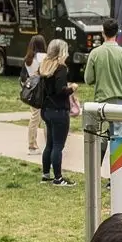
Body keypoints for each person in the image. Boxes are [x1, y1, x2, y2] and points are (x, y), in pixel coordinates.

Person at [84, 17, 122, 143]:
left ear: (103, 33)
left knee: (103, 138)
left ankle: (103, 162)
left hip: (102, 102)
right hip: (121, 102)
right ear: (118, 32)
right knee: (120, 140)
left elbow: (88, 79)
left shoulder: (95, 53)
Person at [39, 38, 77, 188]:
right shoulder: (60, 68)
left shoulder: (44, 65)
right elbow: (60, 91)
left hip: (46, 109)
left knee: (49, 143)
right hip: (59, 110)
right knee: (58, 145)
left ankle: (46, 173)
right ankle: (58, 177)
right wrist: (72, 88)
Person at [21, 33, 47, 154]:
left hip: (33, 91)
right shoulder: (45, 57)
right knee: (46, 119)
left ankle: (32, 144)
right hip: (44, 90)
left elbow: (23, 77)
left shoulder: (28, 59)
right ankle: (47, 143)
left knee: (34, 118)